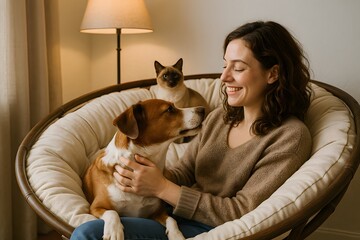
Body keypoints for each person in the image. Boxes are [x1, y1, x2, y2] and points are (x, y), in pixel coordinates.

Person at [71, 20, 312, 240]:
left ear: (273, 73)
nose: (224, 77)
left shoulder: (289, 137)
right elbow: (184, 172)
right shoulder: (220, 118)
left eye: (237, 68)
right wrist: (136, 176)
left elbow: (243, 211)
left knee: (88, 234)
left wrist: (162, 188)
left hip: (213, 230)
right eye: (225, 65)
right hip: (174, 216)